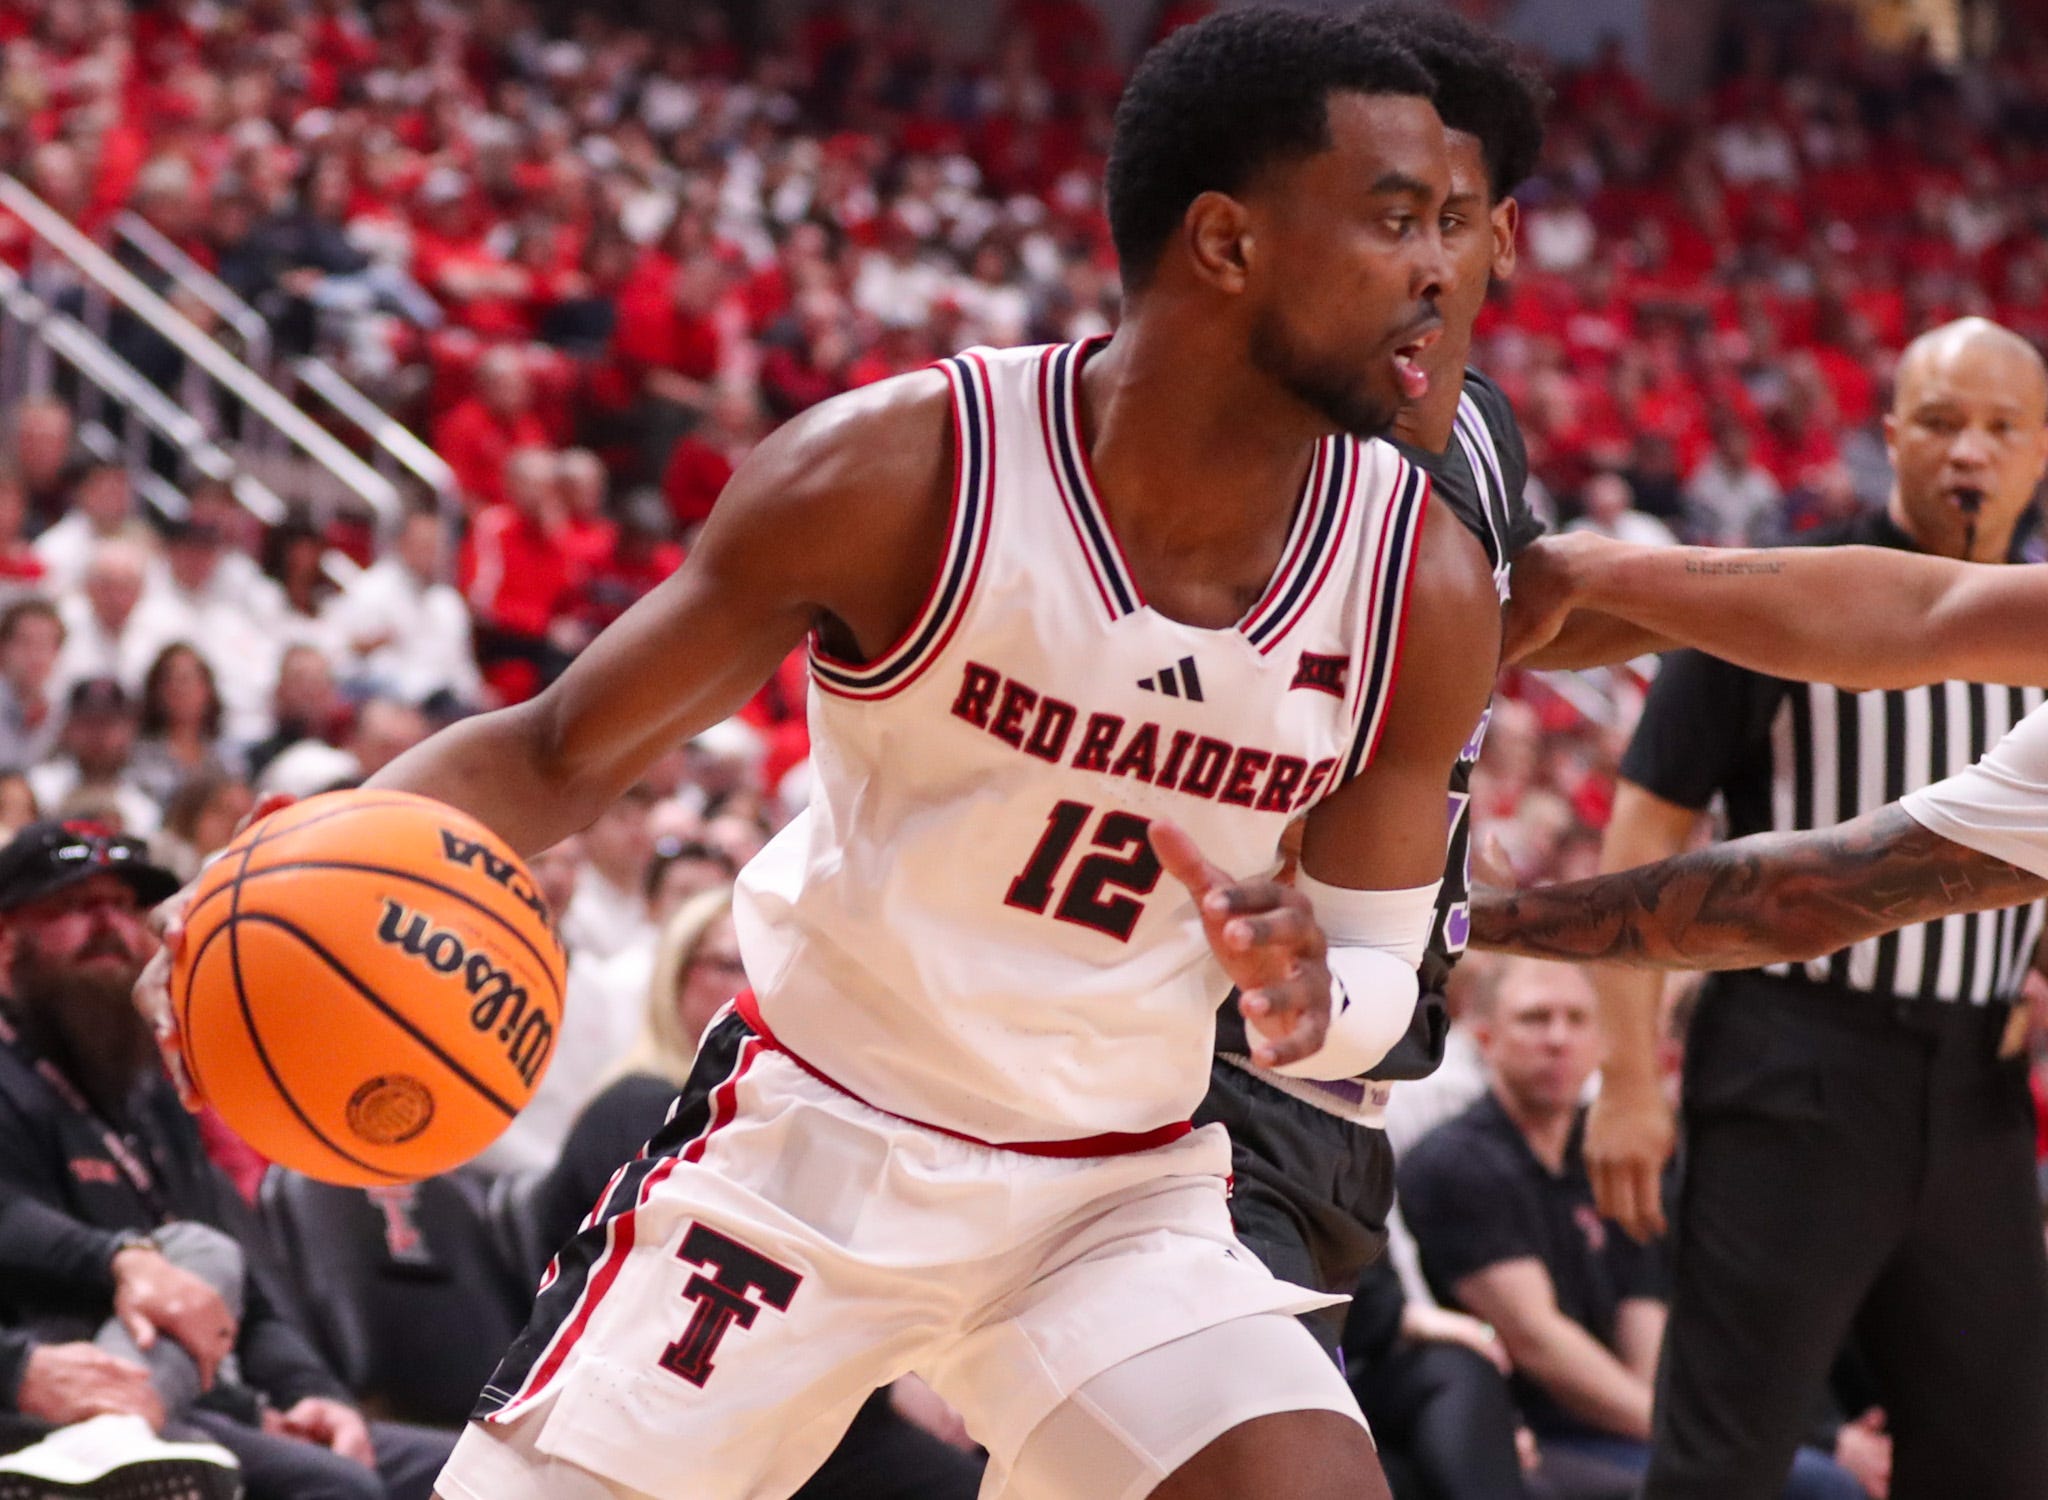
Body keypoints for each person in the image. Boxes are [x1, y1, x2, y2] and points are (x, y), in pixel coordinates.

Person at [144, 13, 1499, 1500]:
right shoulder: (908, 471)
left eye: (1451, 223)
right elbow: (551, 755)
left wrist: (1313, 997)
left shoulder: (1417, 584)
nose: (1448, 267)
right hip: (812, 1148)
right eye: (1394, 221)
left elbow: (1376, 981)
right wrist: (247, 882)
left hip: (1118, 1197)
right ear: (1227, 242)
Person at [1498, 316, 2048, 1500]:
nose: (1970, 455)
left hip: (1974, 1084)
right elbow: (1646, 821)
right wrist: (1631, 1078)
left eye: (2002, 430)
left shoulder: (2031, 613)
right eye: (1942, 423)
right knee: (1723, 1452)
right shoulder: (1789, 593)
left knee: (1998, 1456)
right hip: (1795, 1057)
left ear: (2040, 452)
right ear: (1886, 435)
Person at [1192, 0, 1549, 1350]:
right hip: (1201, 1085)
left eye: (1444, 218)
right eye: (1378, 217)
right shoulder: (1268, 449)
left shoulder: (1483, 436)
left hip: (1349, 1111)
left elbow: (1532, 620)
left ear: (1500, 238)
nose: (1408, 261)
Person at [0, 821, 456, 1500]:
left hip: (209, 1396)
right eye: (74, 906)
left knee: (479, 1473)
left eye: (126, 907)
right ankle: (107, 1439)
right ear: (8, 939)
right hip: (76, 1391)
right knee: (332, 1489)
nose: (111, 928)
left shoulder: (152, 1095)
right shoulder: (12, 1082)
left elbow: (247, 1287)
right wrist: (120, 1258)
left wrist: (314, 1394)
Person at [529, 889, 985, 1500]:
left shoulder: (799, 1126)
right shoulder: (637, 1106)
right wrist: (889, 1381)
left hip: (773, 1395)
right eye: (734, 964)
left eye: (779, 962)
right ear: (675, 978)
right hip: (653, 1407)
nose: (764, 984)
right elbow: (697, 1297)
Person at [1398, 958, 1860, 1500]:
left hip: (1624, 1422)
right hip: (1527, 1429)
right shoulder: (1457, 1161)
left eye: (1577, 1019)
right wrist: (1678, 1436)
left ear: (1602, 1040)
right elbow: (1538, 1341)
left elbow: (1643, 1310)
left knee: (1813, 1479)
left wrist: (1674, 1432)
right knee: (1803, 1484)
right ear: (1485, 1038)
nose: (1558, 1038)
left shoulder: (1608, 1155)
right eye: (1534, 1019)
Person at [128, 645, 245, 809]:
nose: (180, 690)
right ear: (156, 691)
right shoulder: (137, 756)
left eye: (188, 680)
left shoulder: (226, 757)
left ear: (208, 690)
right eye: (170, 680)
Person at [0, 598, 67, 772]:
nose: (36, 654)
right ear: (3, 648)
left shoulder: (62, 711)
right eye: (25, 642)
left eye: (45, 644)